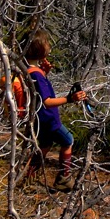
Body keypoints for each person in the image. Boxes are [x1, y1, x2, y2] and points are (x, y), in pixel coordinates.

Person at [22, 29, 87, 190]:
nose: (49, 46)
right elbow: (47, 101)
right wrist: (70, 99)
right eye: (46, 43)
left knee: (44, 146)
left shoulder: (29, 71)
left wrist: (45, 73)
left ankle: (27, 180)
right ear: (39, 49)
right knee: (68, 140)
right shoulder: (36, 74)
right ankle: (64, 178)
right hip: (49, 119)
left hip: (39, 119)